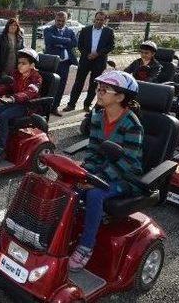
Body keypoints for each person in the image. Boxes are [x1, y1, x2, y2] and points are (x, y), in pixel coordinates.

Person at [69, 70, 143, 271]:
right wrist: (85, 173)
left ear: (120, 97)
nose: (99, 93)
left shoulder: (132, 124)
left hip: (126, 177)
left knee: (94, 194)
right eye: (98, 88)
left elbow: (127, 162)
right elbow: (93, 151)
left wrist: (94, 179)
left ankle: (86, 246)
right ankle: (62, 232)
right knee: (70, 185)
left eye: (105, 90)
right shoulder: (97, 116)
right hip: (103, 169)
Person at [0, 48, 43, 161]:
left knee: (3, 116)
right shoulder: (16, 74)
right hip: (14, 102)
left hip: (27, 106)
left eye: (23, 63)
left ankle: (0, 149)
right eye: (19, 63)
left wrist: (14, 98)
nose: (20, 65)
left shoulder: (36, 77)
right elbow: (7, 86)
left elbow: (30, 92)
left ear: (32, 65)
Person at [64, 11, 115, 113]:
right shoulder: (85, 30)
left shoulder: (109, 32)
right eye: (97, 19)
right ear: (94, 19)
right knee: (78, 82)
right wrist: (87, 54)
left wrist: (97, 54)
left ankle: (87, 105)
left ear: (105, 20)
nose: (99, 21)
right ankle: (71, 104)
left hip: (99, 61)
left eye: (101, 20)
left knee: (94, 84)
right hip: (85, 60)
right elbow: (80, 44)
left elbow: (111, 46)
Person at [44, 11, 78, 116]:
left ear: (66, 21)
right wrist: (66, 41)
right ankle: (45, 108)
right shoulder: (48, 30)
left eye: (63, 21)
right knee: (49, 85)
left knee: (61, 86)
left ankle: (55, 107)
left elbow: (75, 43)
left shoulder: (70, 31)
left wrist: (60, 43)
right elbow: (50, 40)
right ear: (55, 20)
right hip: (52, 63)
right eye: (58, 20)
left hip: (65, 64)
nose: (60, 22)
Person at [0, 17, 24, 84]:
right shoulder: (1, 37)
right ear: (7, 26)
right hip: (3, 66)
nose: (13, 27)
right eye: (11, 25)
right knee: (1, 86)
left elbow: (22, 51)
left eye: (15, 25)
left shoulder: (20, 38)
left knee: (12, 85)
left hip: (15, 66)